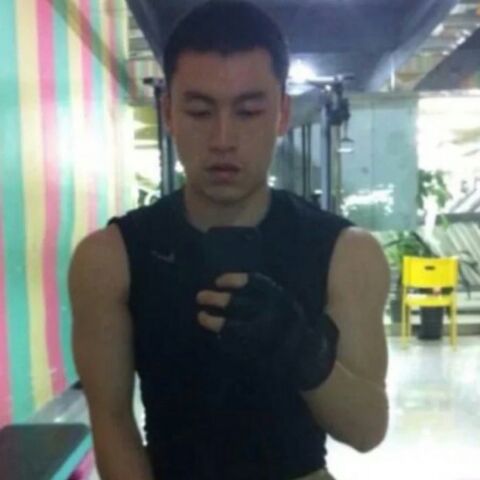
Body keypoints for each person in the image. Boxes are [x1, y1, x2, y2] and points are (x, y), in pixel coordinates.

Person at [69, 1, 390, 479]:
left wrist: (300, 349)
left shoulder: (347, 253)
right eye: (200, 111)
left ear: (281, 113)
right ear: (169, 112)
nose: (223, 138)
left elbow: (366, 430)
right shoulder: (109, 259)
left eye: (249, 111)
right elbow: (113, 424)